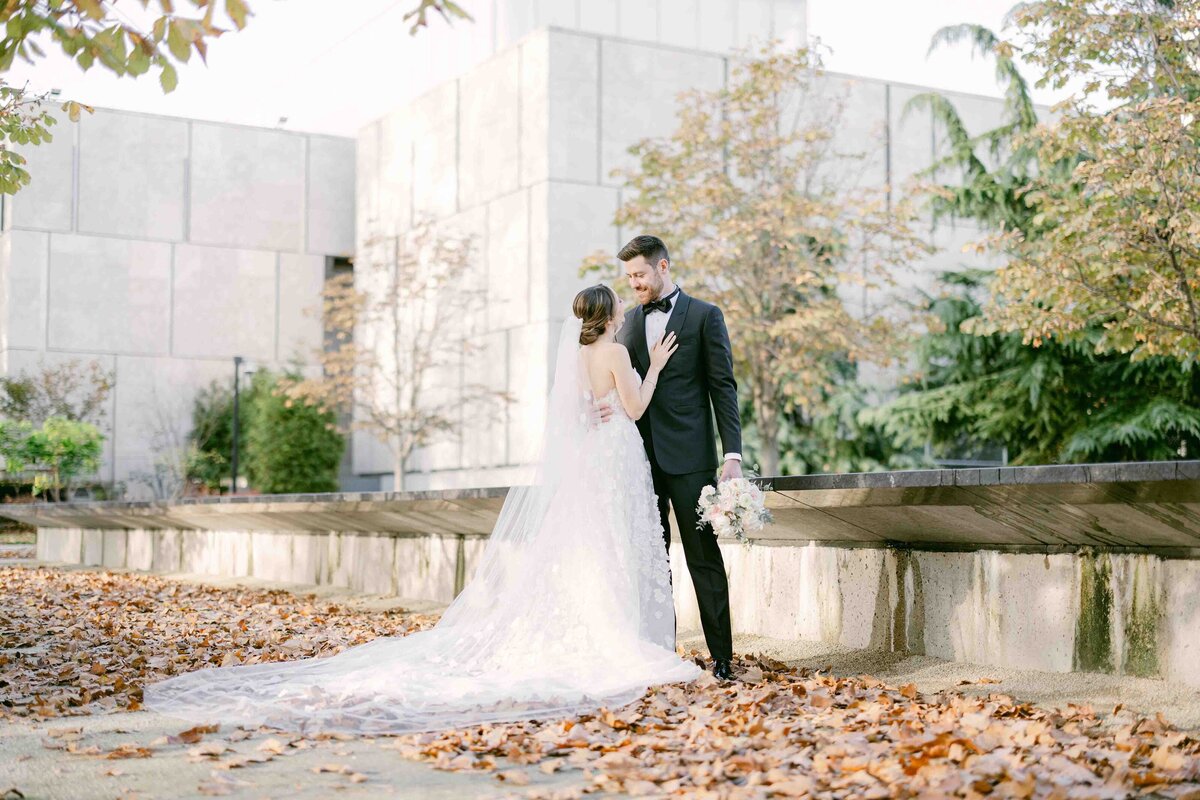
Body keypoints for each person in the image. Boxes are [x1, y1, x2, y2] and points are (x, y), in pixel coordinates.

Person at [143, 285, 702, 735]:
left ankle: (603, 626)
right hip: (614, 462)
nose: (626, 309)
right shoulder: (614, 351)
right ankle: (622, 636)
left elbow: (578, 420)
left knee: (589, 549)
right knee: (614, 546)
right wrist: (652, 367)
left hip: (589, 466)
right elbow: (633, 406)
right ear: (608, 316)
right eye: (619, 305)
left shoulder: (576, 358)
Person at [603, 234, 742, 682]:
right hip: (640, 460)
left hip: (692, 458)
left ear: (663, 267)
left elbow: (723, 388)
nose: (635, 284)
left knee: (703, 558)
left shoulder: (704, 316)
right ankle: (659, 656)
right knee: (651, 558)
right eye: (629, 277)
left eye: (640, 274)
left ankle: (722, 657)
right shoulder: (623, 325)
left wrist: (732, 454)